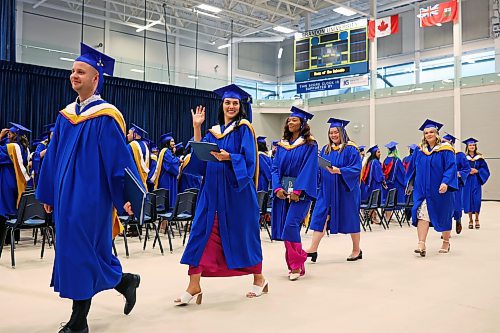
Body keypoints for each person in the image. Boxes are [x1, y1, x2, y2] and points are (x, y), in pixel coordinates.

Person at [35, 43, 141, 333]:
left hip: (92, 198)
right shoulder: (66, 115)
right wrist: (47, 194)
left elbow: (119, 163)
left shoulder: (106, 116)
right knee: (79, 253)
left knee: (81, 253)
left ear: (96, 78)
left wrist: (125, 200)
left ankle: (78, 322)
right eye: (72, 71)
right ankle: (125, 281)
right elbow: (53, 156)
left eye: (81, 71)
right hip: (65, 196)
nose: (74, 75)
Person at [177, 84, 267, 305]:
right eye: (227, 102)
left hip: (236, 192)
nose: (231, 106)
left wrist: (230, 158)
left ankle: (260, 278)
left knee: (243, 234)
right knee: (200, 232)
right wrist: (197, 128)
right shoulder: (213, 131)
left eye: (235, 103)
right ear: (222, 105)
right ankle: (194, 285)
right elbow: (198, 158)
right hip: (211, 191)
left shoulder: (244, 129)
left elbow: (249, 161)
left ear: (240, 107)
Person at [271, 106, 318, 281]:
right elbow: (275, 168)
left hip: (302, 192)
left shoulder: (310, 144)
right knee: (287, 229)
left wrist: (298, 190)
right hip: (283, 191)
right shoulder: (282, 145)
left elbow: (309, 168)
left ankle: (297, 263)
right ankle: (295, 265)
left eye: (294, 120)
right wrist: (277, 188)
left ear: (302, 123)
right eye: (289, 120)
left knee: (290, 225)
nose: (290, 122)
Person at [306, 118, 362, 262]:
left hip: (345, 190)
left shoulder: (351, 149)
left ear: (342, 132)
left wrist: (340, 170)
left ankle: (357, 250)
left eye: (336, 132)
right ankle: (313, 249)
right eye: (331, 132)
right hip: (327, 189)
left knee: (351, 218)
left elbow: (356, 168)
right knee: (320, 216)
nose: (333, 135)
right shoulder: (326, 149)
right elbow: (320, 167)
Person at [408, 119, 457, 257]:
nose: (428, 134)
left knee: (443, 214)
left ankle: (446, 241)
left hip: (440, 189)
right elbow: (412, 168)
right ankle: (421, 243)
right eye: (426, 133)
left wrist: (446, 182)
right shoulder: (419, 150)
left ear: (437, 134)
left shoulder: (445, 150)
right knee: (422, 213)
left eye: (431, 132)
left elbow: (450, 167)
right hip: (423, 189)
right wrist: (410, 183)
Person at [0, 122, 31, 245]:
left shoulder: (10, 148)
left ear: (15, 135)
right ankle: (13, 238)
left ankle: (4, 240)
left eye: (10, 133)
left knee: (4, 210)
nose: (8, 135)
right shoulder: (24, 148)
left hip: (6, 182)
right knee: (13, 208)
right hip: (16, 182)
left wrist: (0, 136)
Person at [442, 134, 471, 234]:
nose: (443, 143)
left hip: (456, 185)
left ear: (451, 143)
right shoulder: (441, 154)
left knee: (457, 206)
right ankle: (446, 231)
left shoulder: (459, 155)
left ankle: (458, 220)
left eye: (445, 141)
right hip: (444, 184)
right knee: (446, 208)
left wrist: (460, 173)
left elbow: (467, 169)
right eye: (442, 141)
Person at [462, 138, 490, 229]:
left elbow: (485, 170)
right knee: (468, 200)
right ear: (467, 147)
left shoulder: (480, 158)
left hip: (476, 181)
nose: (472, 146)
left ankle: (477, 219)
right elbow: (460, 168)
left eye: (473, 145)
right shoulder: (464, 158)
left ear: (475, 146)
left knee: (476, 200)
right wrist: (467, 171)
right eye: (470, 145)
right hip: (467, 181)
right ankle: (470, 220)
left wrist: (478, 171)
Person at [151, 132, 180, 208]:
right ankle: (165, 218)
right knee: (167, 199)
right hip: (167, 178)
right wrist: (178, 159)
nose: (174, 143)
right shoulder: (166, 151)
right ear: (167, 142)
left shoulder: (168, 152)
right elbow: (171, 164)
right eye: (172, 141)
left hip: (169, 177)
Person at [360, 145, 386, 223]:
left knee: (373, 202)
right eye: (378, 152)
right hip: (375, 185)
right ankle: (372, 217)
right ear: (374, 153)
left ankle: (372, 216)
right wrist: (383, 180)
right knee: (374, 201)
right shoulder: (375, 162)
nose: (380, 153)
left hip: (372, 184)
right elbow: (378, 175)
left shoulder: (371, 161)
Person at [382, 141, 406, 219]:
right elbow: (402, 172)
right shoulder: (397, 160)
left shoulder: (385, 160)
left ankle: (387, 217)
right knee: (394, 199)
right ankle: (389, 218)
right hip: (396, 183)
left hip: (387, 183)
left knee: (388, 199)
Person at [126, 124, 150, 188]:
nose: (127, 135)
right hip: (143, 179)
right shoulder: (145, 145)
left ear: (135, 134)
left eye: (129, 133)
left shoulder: (131, 146)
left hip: (133, 178)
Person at [31, 123, 54, 188]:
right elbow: (36, 156)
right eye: (52, 135)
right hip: (44, 172)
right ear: (49, 135)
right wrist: (48, 150)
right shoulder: (42, 145)